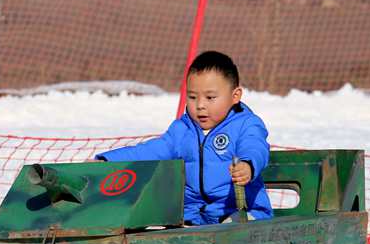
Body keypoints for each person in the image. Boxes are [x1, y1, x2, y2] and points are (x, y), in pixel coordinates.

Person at [96, 51, 273, 225]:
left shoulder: (246, 124)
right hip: (193, 216)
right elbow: (151, 150)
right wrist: (110, 160)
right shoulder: (182, 130)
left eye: (210, 97)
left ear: (235, 96)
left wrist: (248, 165)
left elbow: (255, 147)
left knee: (229, 233)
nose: (200, 105)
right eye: (192, 97)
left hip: (240, 213)